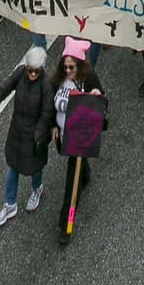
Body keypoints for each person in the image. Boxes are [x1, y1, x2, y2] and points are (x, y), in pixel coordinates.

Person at [0, 48, 56, 225]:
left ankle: (37, 188)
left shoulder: (47, 85)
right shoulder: (20, 74)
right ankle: (10, 204)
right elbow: (3, 87)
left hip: (34, 137)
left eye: (36, 70)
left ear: (41, 69)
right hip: (17, 132)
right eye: (29, 70)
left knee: (35, 168)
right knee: (12, 167)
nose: (32, 73)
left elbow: (47, 113)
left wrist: (37, 136)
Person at [50, 40, 106, 236]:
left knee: (70, 182)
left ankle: (66, 224)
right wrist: (52, 125)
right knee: (78, 168)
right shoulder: (58, 79)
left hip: (79, 138)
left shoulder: (89, 78)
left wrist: (97, 96)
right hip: (63, 135)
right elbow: (51, 102)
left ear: (80, 65)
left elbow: (103, 103)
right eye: (65, 67)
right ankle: (86, 173)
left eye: (72, 67)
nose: (68, 71)